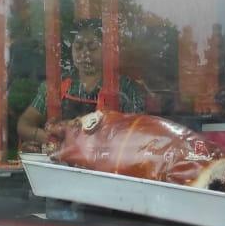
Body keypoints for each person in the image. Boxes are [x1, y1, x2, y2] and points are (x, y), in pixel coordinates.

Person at [17, 18, 145, 149]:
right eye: (78, 47)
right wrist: (48, 138)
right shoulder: (57, 85)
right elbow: (24, 123)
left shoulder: (124, 87)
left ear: (106, 50)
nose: (85, 54)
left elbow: (139, 131)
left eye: (92, 47)